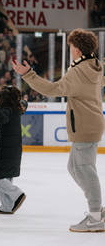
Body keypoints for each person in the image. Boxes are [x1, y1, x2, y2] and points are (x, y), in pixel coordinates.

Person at [12, 28, 105, 232]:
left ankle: (96, 216)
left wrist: (28, 74)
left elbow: (52, 90)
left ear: (78, 50)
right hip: (90, 123)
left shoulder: (78, 71)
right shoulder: (96, 66)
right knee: (76, 167)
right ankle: (99, 210)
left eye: (71, 47)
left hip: (84, 125)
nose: (70, 50)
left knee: (84, 170)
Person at [0, 86, 27, 215]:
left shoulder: (7, 110)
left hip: (6, 150)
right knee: (7, 178)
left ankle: (18, 194)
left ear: (3, 99)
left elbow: (1, 118)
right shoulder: (15, 109)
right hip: (13, 149)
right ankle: (7, 206)